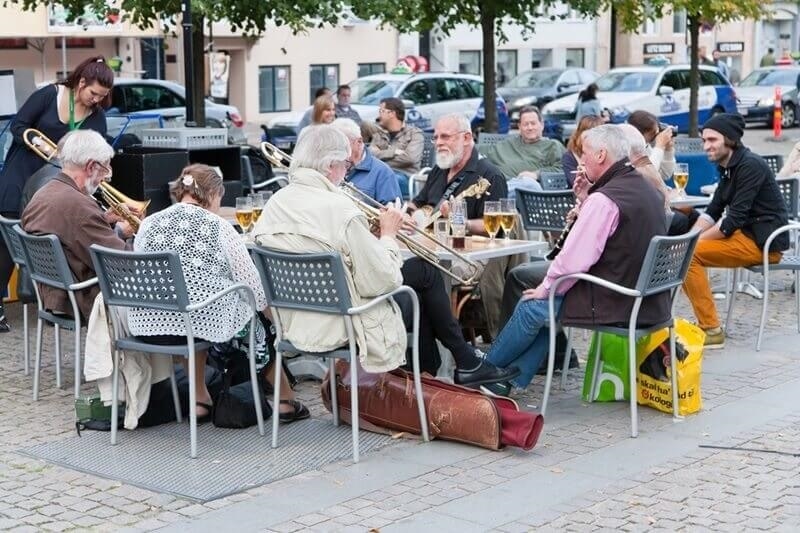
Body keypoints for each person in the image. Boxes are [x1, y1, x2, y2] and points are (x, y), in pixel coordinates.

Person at [254, 124, 516, 386]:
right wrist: (388, 234)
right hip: (344, 321)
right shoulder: (341, 208)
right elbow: (382, 280)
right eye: (346, 164)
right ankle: (453, 368)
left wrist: (371, 234)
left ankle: (433, 374)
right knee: (424, 275)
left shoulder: (276, 203)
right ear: (329, 166)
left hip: (295, 321)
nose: (347, 172)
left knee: (419, 287)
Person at [484, 125, 670, 395]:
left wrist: (546, 288)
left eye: (584, 153)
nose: (580, 160)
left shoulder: (606, 199)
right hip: (647, 297)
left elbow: (573, 261)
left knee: (533, 305)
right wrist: (585, 200)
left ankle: (487, 370)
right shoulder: (641, 186)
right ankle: (503, 381)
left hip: (618, 299)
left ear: (601, 155)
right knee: (544, 307)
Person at [127, 164, 308, 423]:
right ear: (212, 194)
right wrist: (275, 320)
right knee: (256, 324)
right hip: (191, 323)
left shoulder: (149, 224)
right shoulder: (218, 226)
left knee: (197, 312)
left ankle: (200, 400)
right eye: (220, 198)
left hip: (149, 324)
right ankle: (284, 401)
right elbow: (253, 287)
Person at [0, 55, 113, 331]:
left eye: (102, 96)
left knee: (58, 241)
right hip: (23, 176)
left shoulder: (96, 116)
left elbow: (97, 153)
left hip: (59, 188)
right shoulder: (49, 95)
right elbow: (17, 127)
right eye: (93, 93)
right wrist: (45, 147)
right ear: (81, 82)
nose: (96, 100)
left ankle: (57, 302)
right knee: (5, 245)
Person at [684, 113, 790, 348]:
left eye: (712, 140)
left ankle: (710, 328)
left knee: (689, 255)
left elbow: (731, 221)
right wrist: (689, 238)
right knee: (686, 248)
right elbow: (712, 212)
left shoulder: (750, 165)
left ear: (729, 140)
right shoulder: (727, 167)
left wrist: (691, 244)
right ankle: (707, 324)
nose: (706, 146)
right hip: (746, 236)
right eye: (704, 140)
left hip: (765, 243)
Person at [411, 113, 521, 337]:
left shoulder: (490, 175)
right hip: (431, 246)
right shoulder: (439, 170)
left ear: (467, 137)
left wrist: (461, 222)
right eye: (436, 137)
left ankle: (443, 344)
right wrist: (409, 216)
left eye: (445, 137)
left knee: (430, 273)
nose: (439, 142)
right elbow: (418, 204)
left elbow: (496, 227)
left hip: (470, 254)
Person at [21, 130, 132, 322]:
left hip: (53, 293)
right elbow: (122, 264)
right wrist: (129, 234)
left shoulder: (44, 193)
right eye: (105, 169)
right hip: (84, 297)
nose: (104, 178)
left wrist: (103, 219)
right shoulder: (80, 206)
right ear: (90, 166)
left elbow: (71, 232)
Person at [478, 106, 565, 196]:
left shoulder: (552, 146)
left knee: (528, 184)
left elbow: (563, 169)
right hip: (500, 185)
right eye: (525, 124)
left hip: (530, 192)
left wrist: (536, 174)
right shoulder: (507, 144)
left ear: (542, 125)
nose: (530, 127)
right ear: (519, 127)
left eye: (533, 123)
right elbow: (477, 150)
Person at [332, 118, 401, 204]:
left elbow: (393, 213)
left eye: (341, 146)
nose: (336, 152)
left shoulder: (383, 173)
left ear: (359, 142)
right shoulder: (329, 167)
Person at [367, 97, 425, 198]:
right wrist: (393, 152)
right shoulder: (379, 134)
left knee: (381, 179)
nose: (378, 115)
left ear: (392, 114)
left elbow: (410, 158)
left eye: (381, 111)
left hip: (406, 178)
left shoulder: (414, 134)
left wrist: (380, 157)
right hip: (382, 173)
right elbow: (370, 155)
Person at [627, 110, 676, 181]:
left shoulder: (646, 146)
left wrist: (668, 149)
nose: (655, 136)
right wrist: (659, 146)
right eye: (652, 133)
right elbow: (648, 175)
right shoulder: (627, 150)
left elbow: (665, 175)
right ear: (638, 133)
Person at [562, 115, 606, 186]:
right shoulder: (569, 157)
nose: (591, 140)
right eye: (587, 136)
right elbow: (576, 183)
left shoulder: (607, 155)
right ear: (579, 134)